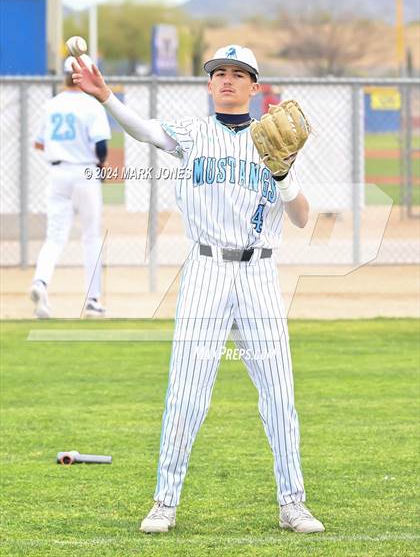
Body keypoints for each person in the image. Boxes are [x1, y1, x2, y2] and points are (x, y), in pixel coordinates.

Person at [72, 44, 325, 534]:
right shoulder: (191, 133)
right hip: (206, 270)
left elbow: (300, 218)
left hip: (259, 274)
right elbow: (144, 130)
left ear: (255, 86)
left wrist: (283, 175)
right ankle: (165, 502)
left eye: (239, 74)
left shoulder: (276, 144)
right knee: (187, 391)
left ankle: (292, 501)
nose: (227, 80)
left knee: (278, 392)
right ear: (210, 85)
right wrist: (106, 96)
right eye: (219, 73)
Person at [30, 55, 111, 319]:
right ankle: (93, 301)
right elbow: (101, 146)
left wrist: (61, 149)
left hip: (57, 173)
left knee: (54, 236)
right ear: (84, 75)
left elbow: (39, 143)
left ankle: (40, 282)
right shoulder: (92, 105)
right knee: (91, 237)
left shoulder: (50, 105)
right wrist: (100, 163)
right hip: (85, 172)